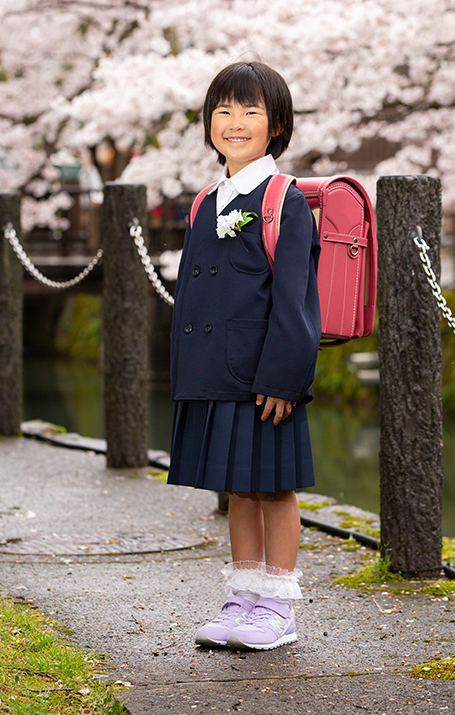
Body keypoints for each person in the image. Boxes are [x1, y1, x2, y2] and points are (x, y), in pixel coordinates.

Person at [167, 60, 322, 651]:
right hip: (216, 372)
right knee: (238, 487)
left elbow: (294, 300)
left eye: (251, 111)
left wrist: (284, 377)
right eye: (224, 111)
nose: (235, 122)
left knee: (273, 486)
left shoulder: (283, 199)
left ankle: (278, 605)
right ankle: (243, 595)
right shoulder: (207, 200)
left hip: (264, 374)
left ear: (276, 124)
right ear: (209, 123)